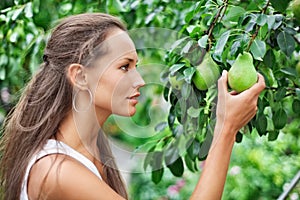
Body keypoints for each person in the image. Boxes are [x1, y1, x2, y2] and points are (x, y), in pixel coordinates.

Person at [0, 13, 265, 200]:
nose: (139, 80)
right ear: (80, 76)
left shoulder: (90, 153)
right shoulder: (56, 171)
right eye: (124, 67)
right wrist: (226, 128)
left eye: (135, 66)